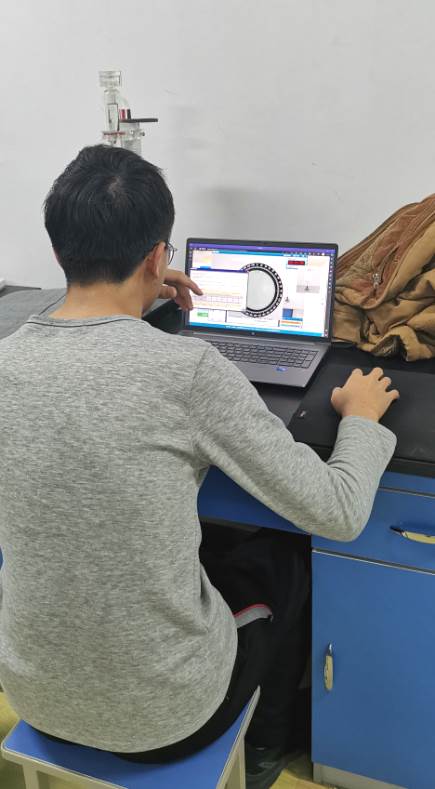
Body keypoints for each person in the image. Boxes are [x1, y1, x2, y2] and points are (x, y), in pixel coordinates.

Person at [0, 145, 398, 789]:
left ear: (57, 252)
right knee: (286, 554)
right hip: (167, 719)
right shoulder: (186, 371)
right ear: (158, 256)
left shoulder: (6, 361)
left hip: (34, 696)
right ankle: (266, 750)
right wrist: (360, 419)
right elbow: (339, 511)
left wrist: (141, 293)